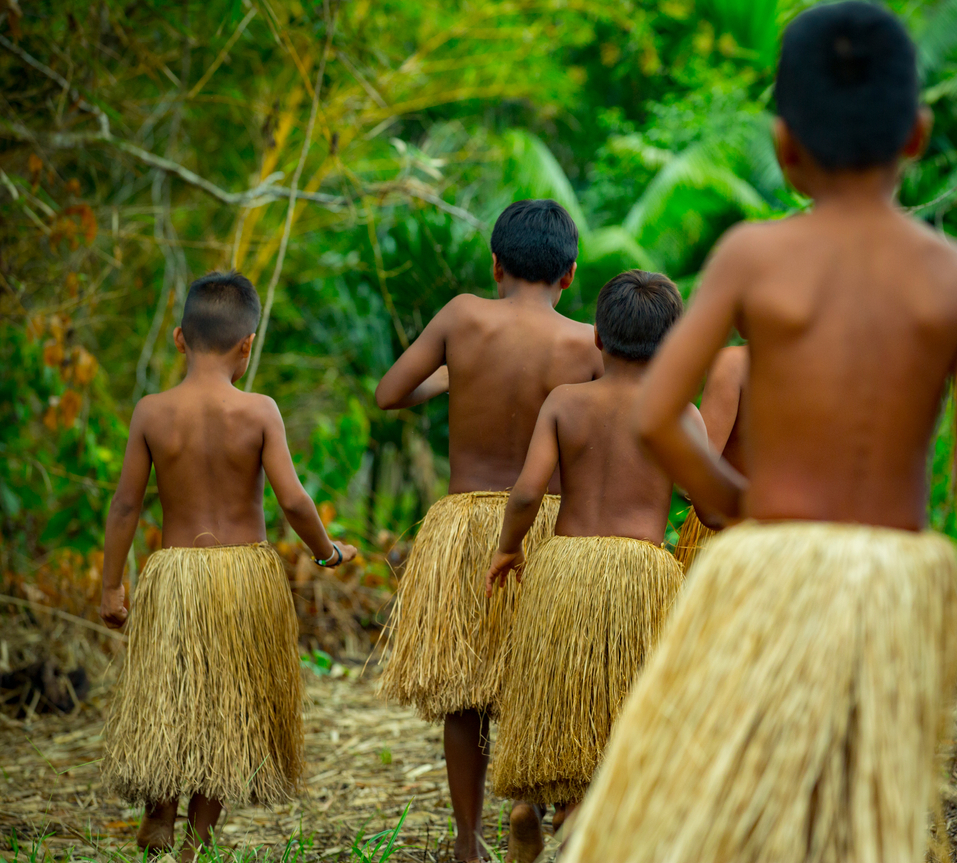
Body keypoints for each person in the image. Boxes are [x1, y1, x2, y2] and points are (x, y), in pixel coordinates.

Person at [560, 4, 957, 862]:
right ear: (917, 133)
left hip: (769, 560)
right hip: (893, 578)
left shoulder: (754, 257)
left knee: (749, 806)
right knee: (857, 809)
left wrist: (733, 505)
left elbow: (657, 411)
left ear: (785, 146)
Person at [374, 199, 603, 862]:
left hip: (465, 524)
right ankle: (531, 803)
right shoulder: (585, 342)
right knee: (541, 682)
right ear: (570, 275)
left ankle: (469, 840)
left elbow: (392, 391)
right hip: (549, 526)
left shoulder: (462, 316)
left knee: (465, 694)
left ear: (496, 264)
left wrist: (455, 373)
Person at [99, 272, 356, 861]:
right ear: (248, 346)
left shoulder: (152, 411)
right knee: (225, 707)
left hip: (175, 576)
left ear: (178, 338)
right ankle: (197, 838)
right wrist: (327, 551)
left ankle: (158, 810)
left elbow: (126, 504)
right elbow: (293, 500)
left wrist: (113, 585)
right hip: (243, 579)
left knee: (173, 692)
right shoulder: (260, 411)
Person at [484, 270, 698, 863]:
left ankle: (533, 804)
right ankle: (582, 820)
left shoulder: (565, 402)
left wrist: (508, 546)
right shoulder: (679, 414)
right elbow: (705, 497)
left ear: (598, 339)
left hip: (567, 569)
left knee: (562, 698)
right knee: (617, 708)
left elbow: (528, 492)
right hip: (640, 575)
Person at [672, 344, 747, 570]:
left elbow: (699, 471)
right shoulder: (838, 367)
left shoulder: (735, 363)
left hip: (734, 539)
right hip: (813, 543)